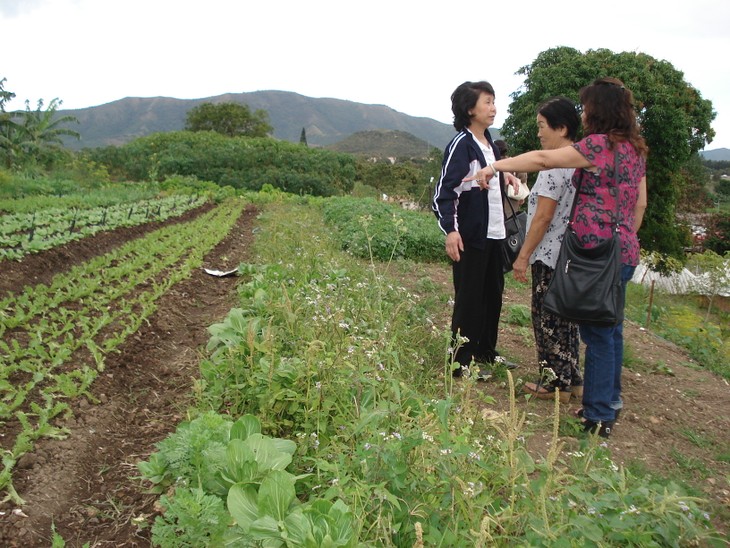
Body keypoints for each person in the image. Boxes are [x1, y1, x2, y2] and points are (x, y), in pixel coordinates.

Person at [469, 78, 648, 437]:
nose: (584, 113)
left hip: (595, 254)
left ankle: (597, 415)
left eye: (587, 107)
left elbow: (543, 159)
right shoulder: (634, 150)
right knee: (611, 331)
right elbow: (640, 203)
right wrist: (622, 236)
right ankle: (609, 402)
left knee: (596, 334)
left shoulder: (599, 146)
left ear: (599, 110)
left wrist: (494, 167)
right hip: (624, 251)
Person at [432, 81, 521, 379]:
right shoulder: (463, 144)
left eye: (494, 101)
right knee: (469, 298)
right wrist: (451, 231)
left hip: (495, 235)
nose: (493, 107)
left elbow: (488, 177)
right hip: (470, 236)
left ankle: (485, 350)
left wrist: (504, 175)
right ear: (470, 109)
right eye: (487, 102)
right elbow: (445, 192)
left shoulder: (490, 144)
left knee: (492, 295)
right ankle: (460, 363)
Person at [512, 97, 582, 404]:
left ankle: (554, 383)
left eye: (542, 126)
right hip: (573, 254)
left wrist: (523, 256)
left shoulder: (554, 165)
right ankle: (574, 379)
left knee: (547, 317)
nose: (539, 133)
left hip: (550, 254)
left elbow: (542, 217)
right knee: (568, 319)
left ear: (561, 128)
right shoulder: (580, 162)